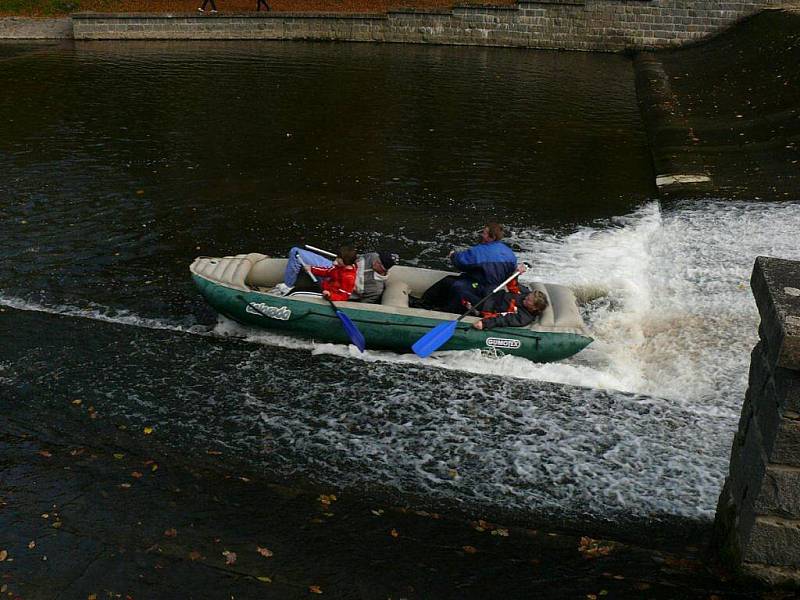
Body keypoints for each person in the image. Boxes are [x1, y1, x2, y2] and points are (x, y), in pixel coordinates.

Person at [422, 222, 518, 313]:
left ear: (492, 237)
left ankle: (433, 306)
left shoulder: (479, 251)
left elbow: (462, 263)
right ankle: (429, 303)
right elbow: (511, 272)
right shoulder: (509, 253)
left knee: (455, 286)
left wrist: (453, 255)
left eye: (484, 233)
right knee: (449, 281)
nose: (482, 235)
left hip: (479, 286)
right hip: (494, 288)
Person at [271, 246, 398, 303]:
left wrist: (332, 296)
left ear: (382, 267)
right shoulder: (373, 256)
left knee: (297, 293)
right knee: (296, 251)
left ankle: (285, 297)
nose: (374, 260)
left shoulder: (375, 289)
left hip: (335, 291)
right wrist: (339, 261)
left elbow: (361, 306)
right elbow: (352, 258)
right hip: (334, 270)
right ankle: (287, 285)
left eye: (378, 262)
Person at [472, 289, 549, 330]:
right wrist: (517, 272)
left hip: (486, 306)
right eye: (528, 296)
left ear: (534, 307)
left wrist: (485, 324)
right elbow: (514, 284)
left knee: (463, 293)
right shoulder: (526, 293)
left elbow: (504, 319)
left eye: (528, 300)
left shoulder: (523, 318)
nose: (525, 298)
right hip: (492, 293)